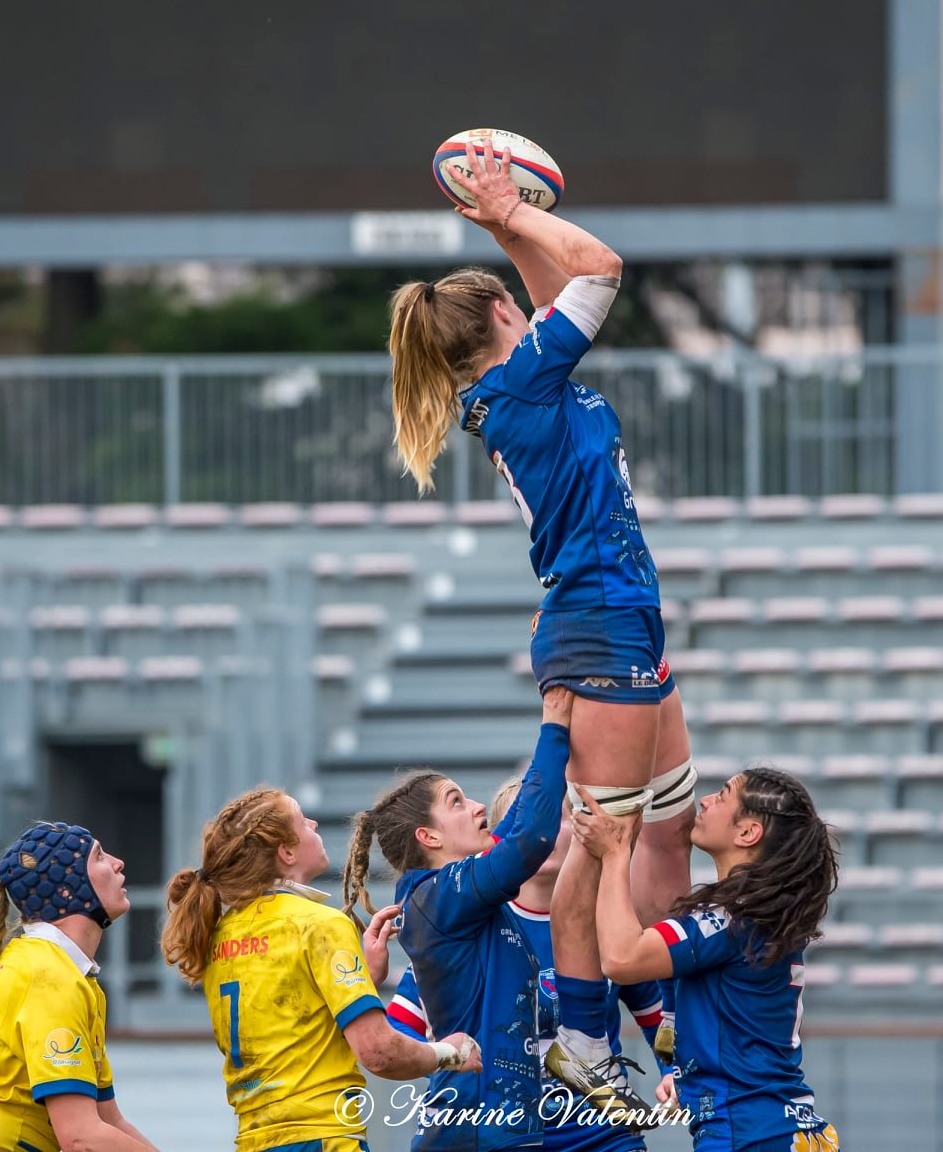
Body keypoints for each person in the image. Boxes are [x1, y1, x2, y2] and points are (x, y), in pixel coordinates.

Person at [387, 135, 699, 1101]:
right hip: (595, 622)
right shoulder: (522, 381)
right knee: (596, 847)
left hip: (622, 618)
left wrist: (502, 226)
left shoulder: (521, 379)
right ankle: (588, 1036)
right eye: (517, 301)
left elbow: (555, 281)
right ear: (500, 318)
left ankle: (674, 1007)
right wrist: (517, 213)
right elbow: (598, 266)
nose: (535, 299)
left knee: (671, 823)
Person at [162, 787, 479, 1152]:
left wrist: (365, 982)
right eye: (303, 821)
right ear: (287, 851)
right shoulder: (320, 924)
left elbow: (297, 1026)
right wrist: (448, 1052)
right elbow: (379, 1052)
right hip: (323, 1139)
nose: (314, 823)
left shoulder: (219, 936)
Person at [344, 685, 590, 1149]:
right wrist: (554, 726)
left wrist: (567, 744)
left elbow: (516, 830)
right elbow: (531, 838)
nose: (478, 807)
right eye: (457, 802)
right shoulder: (438, 897)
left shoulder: (454, 895)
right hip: (472, 1133)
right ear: (428, 838)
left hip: (501, 1130)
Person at [386, 773, 672, 1152]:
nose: (544, 834)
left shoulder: (612, 928)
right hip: (501, 1134)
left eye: (559, 817)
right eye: (527, 825)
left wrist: (672, 1072)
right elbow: (395, 1044)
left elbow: (660, 1024)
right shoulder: (466, 937)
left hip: (599, 1134)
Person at [572, 766, 840, 1152]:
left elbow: (621, 958)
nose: (707, 800)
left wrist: (614, 856)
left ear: (747, 832)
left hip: (749, 1133)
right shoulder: (761, 912)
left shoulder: (729, 918)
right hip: (785, 1127)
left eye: (723, 794)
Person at [0, 823, 157, 1152]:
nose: (118, 862)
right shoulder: (48, 975)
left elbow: (108, 1121)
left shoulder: (66, 973)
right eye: (99, 857)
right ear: (66, 891)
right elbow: (80, 1137)